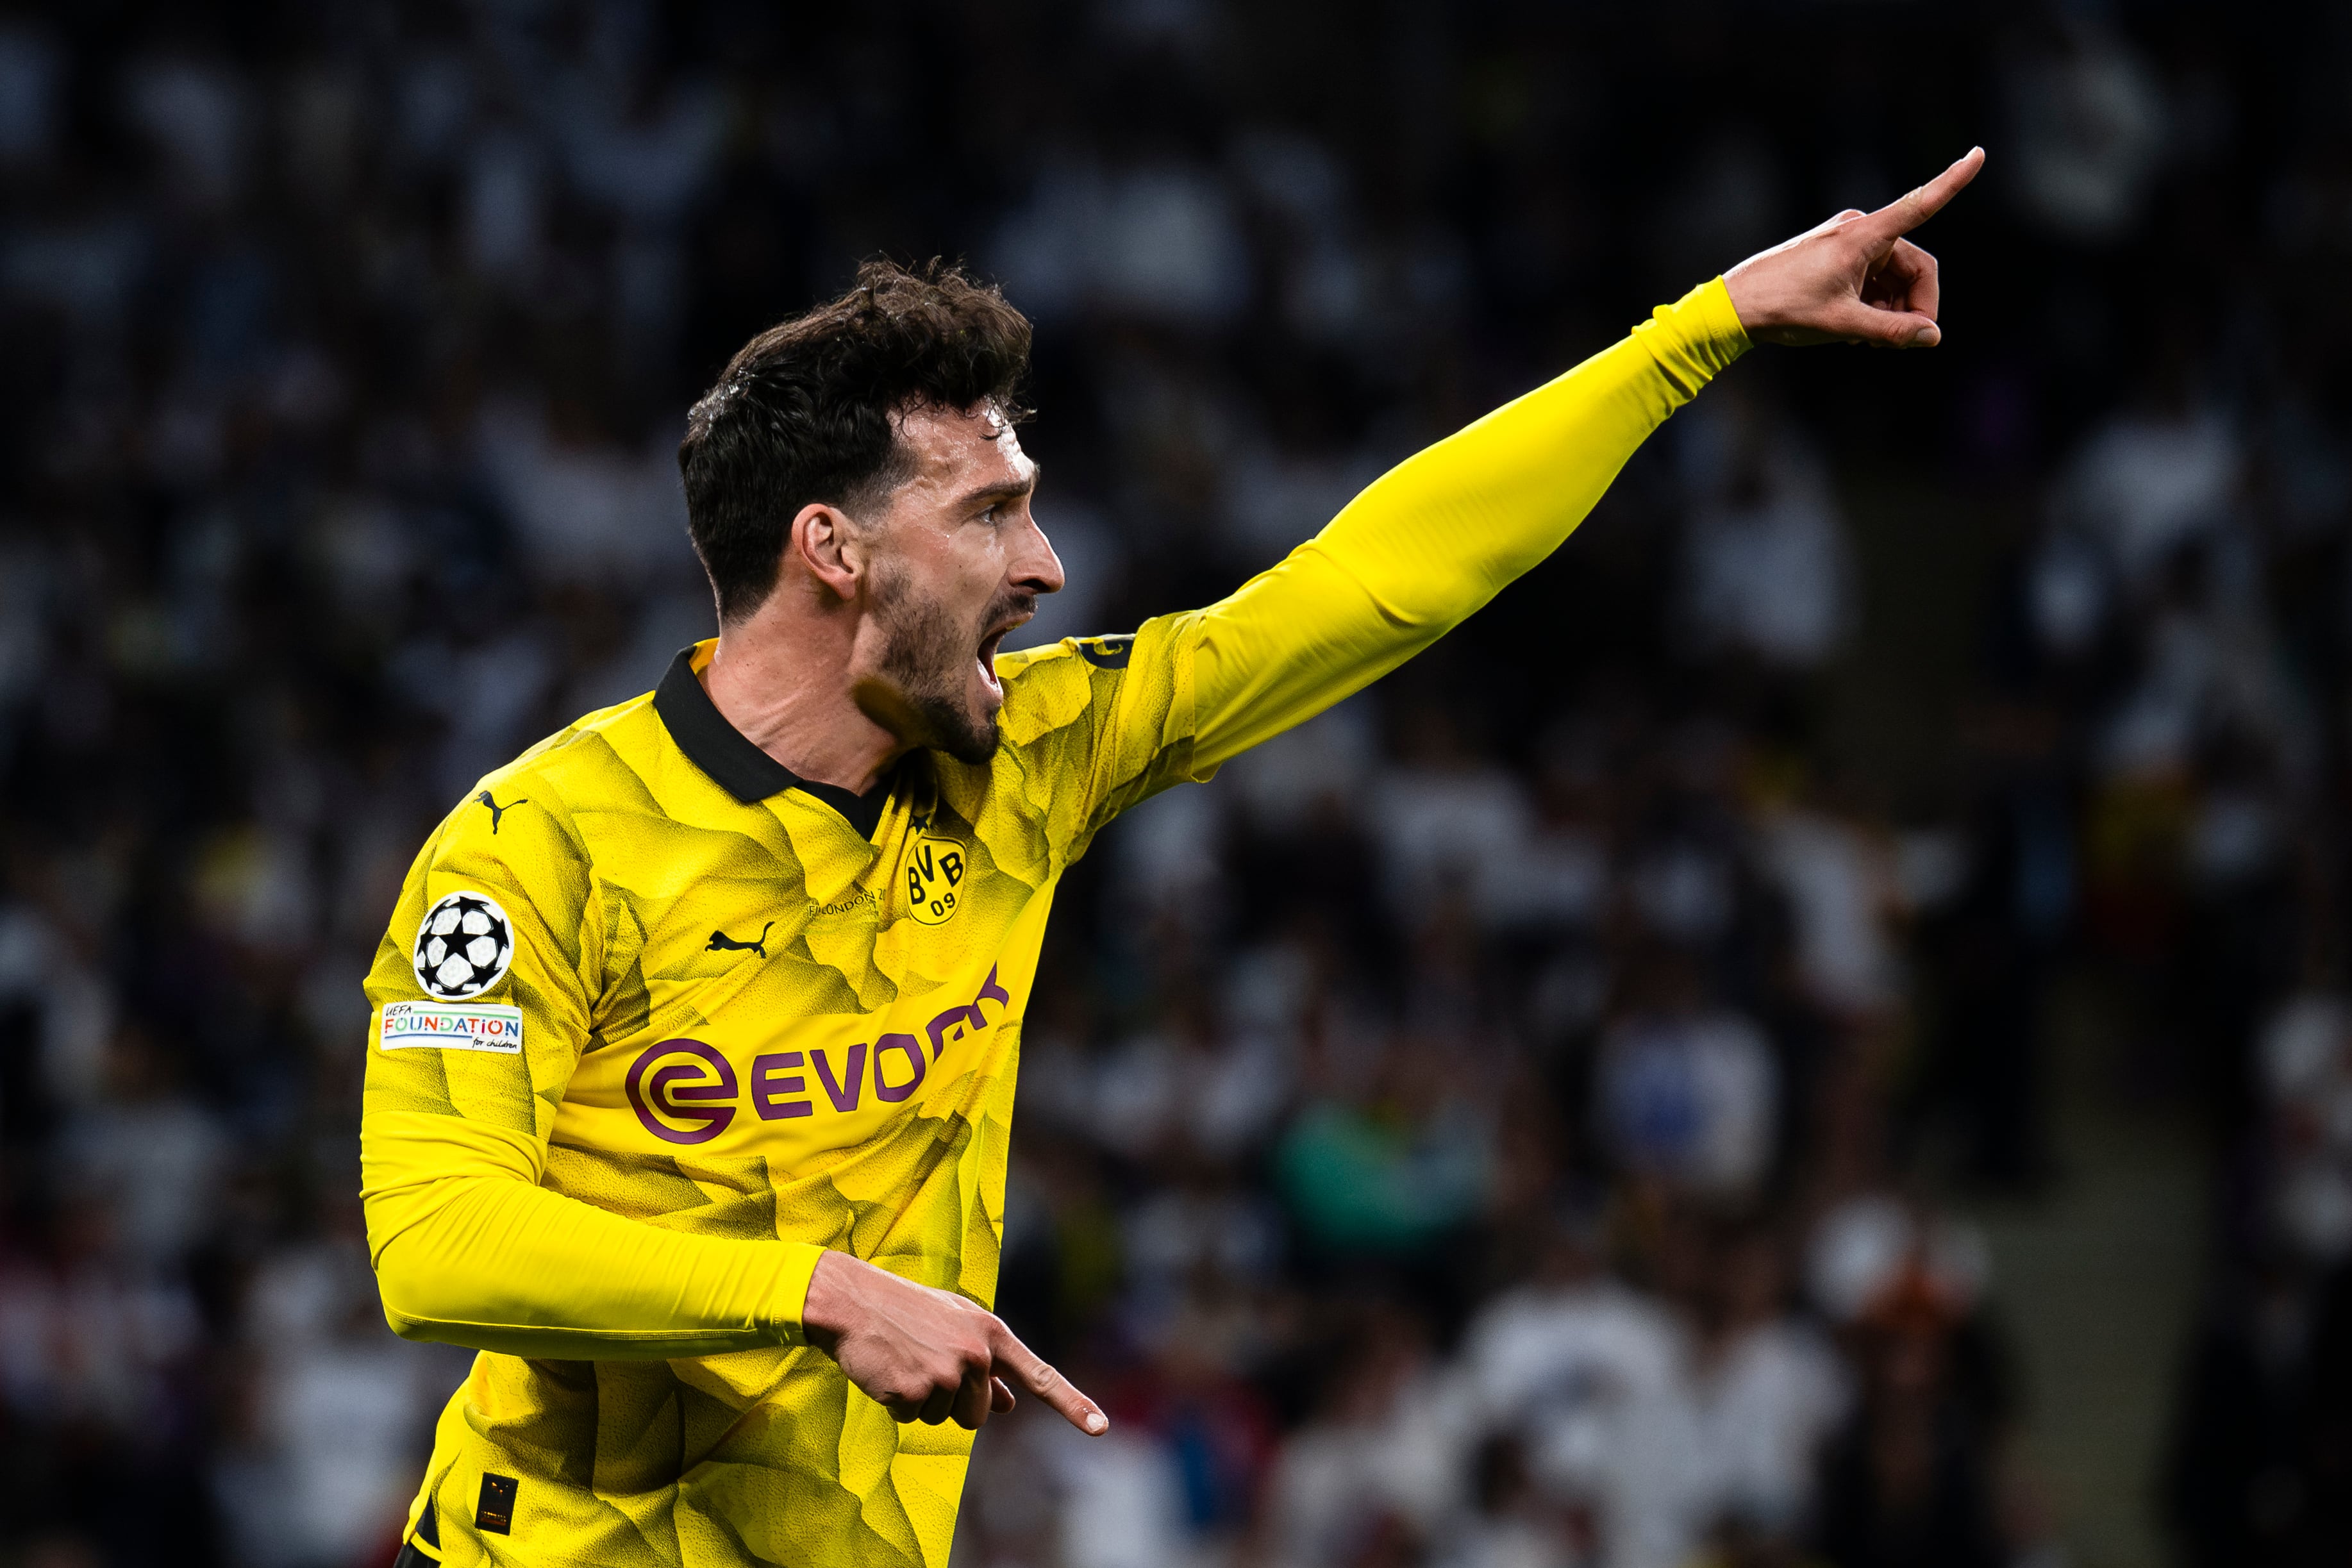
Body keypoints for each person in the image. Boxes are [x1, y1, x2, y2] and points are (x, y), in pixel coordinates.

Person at [358, 150, 1985, 1568]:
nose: (1047, 562)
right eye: (990, 514)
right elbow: (436, 1242)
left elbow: (1367, 585)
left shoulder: (1027, 763)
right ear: (832, 548)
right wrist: (817, 1290)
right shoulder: (537, 845)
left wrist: (1694, 332)